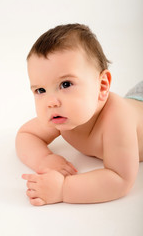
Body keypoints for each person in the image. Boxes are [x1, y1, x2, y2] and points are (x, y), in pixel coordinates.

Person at [15, 23, 143, 206]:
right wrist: (44, 159)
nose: (51, 102)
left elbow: (120, 179)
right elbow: (26, 135)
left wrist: (63, 188)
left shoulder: (117, 118)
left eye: (65, 85)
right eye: (41, 90)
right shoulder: (60, 115)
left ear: (102, 86)